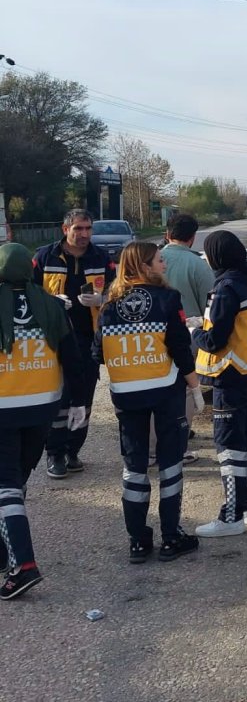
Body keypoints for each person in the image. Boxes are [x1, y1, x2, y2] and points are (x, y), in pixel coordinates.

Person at [93, 242, 200, 563]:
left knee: (134, 467)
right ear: (144, 266)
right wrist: (195, 387)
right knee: (169, 463)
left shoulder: (110, 304)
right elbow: (181, 348)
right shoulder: (167, 300)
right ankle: (171, 537)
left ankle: (138, 542)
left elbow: (97, 353)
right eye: (158, 260)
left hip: (126, 394)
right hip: (164, 391)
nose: (164, 264)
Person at [0, 243, 86, 599]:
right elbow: (73, 358)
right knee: (15, 484)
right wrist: (79, 400)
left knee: (4, 487)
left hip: (3, 408)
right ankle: (5, 552)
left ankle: (24, 566)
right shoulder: (51, 305)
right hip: (42, 409)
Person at [192, 231, 247, 536]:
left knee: (229, 448)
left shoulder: (224, 289)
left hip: (231, 375)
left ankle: (231, 516)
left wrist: (195, 332)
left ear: (217, 257)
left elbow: (214, 341)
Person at [32, 208, 116, 479]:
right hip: (54, 338)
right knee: (59, 396)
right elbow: (29, 293)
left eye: (88, 228)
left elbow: (118, 293)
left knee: (84, 396)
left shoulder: (101, 258)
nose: (84, 234)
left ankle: (73, 449)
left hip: (88, 338)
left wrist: (102, 300)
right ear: (64, 229)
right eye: (78, 228)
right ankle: (54, 453)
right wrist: (50, 302)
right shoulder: (44, 256)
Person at [159, 213, 214, 461]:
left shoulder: (150, 261)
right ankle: (181, 434)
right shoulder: (198, 265)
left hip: (151, 337)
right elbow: (210, 304)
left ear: (167, 234)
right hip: (187, 335)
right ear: (192, 238)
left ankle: (156, 437)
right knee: (185, 388)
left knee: (158, 386)